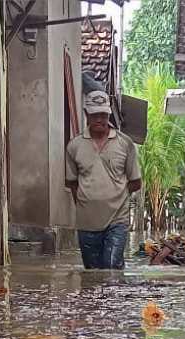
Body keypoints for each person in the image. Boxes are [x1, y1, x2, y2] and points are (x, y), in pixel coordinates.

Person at [65, 90, 142, 269]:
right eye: (94, 114)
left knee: (111, 267)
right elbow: (72, 183)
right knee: (92, 274)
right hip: (87, 222)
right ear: (86, 114)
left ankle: (115, 295)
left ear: (108, 114)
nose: (99, 119)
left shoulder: (125, 143)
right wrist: (87, 202)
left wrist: (116, 197)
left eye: (103, 114)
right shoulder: (74, 146)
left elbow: (135, 182)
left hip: (117, 220)